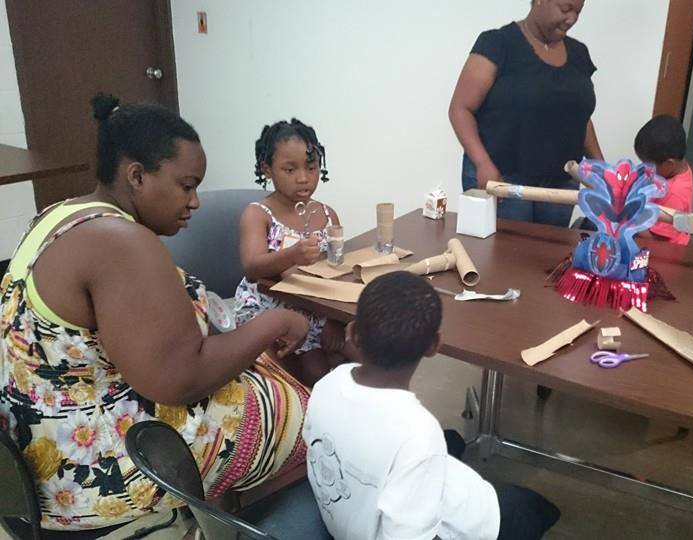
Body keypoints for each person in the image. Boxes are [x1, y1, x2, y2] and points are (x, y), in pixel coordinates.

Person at [0, 94, 312, 532]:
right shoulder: (121, 241)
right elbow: (177, 380)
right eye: (187, 185)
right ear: (137, 177)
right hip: (90, 471)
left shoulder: (60, 215)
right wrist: (275, 323)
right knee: (319, 422)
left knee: (275, 382)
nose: (196, 201)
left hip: (36, 446)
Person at [303, 272, 561, 540]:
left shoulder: (326, 385)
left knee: (450, 441)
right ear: (434, 346)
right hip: (470, 522)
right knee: (530, 507)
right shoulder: (418, 434)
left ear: (353, 333)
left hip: (349, 520)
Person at [449, 0, 602, 227]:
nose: (571, 19)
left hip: (560, 184)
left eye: (578, 12)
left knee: (547, 256)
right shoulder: (497, 43)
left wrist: (600, 169)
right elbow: (460, 109)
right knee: (503, 257)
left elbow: (580, 117)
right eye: (565, 9)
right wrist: (482, 163)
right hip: (502, 179)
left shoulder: (580, 53)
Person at [234, 119, 355, 381]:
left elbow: (338, 273)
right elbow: (252, 267)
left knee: (366, 352)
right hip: (271, 309)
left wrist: (336, 320)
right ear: (267, 169)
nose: (303, 178)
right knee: (315, 371)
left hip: (317, 306)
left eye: (311, 167)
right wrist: (292, 256)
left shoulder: (327, 214)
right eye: (290, 170)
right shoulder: (258, 214)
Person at [634, 114, 693, 245]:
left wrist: (628, 219)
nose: (645, 168)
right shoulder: (676, 169)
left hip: (664, 251)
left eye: (648, 164)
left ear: (669, 164)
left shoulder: (674, 194)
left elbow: (655, 238)